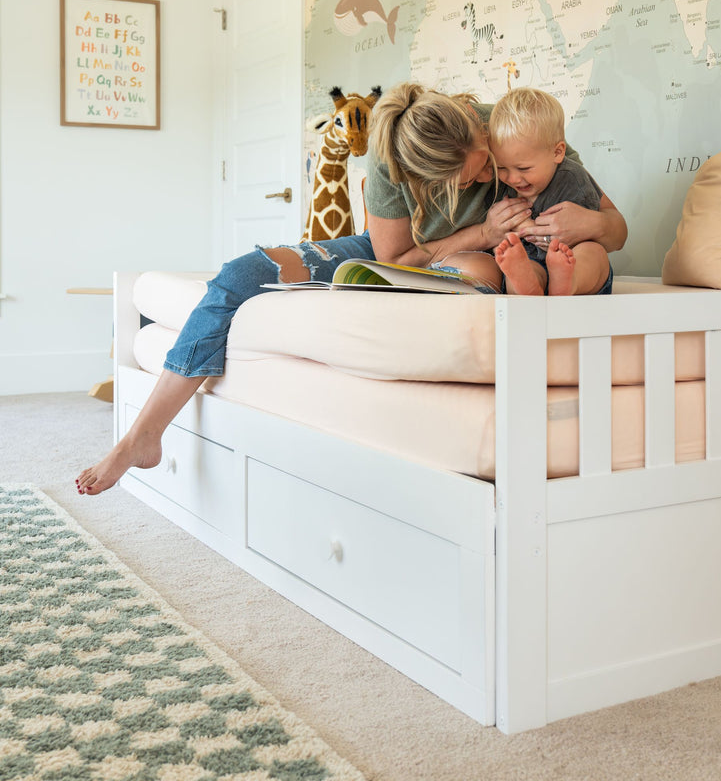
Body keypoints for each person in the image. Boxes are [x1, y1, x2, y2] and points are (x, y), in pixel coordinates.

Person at [76, 82, 627, 496]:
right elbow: (393, 258)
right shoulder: (391, 163)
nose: (491, 181)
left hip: (482, 264)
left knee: (481, 274)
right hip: (402, 253)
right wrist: (483, 229)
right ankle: (141, 437)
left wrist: (589, 226)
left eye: (485, 168)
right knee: (238, 276)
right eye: (469, 182)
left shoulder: (512, 132)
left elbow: (613, 227)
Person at [491, 87, 614, 297]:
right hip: (530, 258)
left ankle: (570, 280)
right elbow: (497, 219)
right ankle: (528, 284)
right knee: (516, 272)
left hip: (572, 254)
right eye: (502, 168)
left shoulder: (572, 177)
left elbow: (587, 230)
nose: (511, 178)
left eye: (523, 169)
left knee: (594, 254)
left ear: (557, 152)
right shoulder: (500, 182)